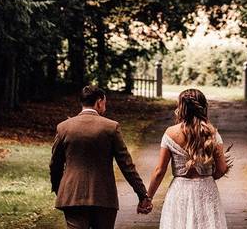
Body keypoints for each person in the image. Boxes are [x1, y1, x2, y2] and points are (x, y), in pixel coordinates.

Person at [50, 86, 153, 229]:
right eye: (105, 102)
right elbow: (126, 165)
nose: (105, 106)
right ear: (99, 102)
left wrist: (59, 190)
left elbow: (55, 164)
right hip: (103, 197)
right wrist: (142, 194)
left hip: (72, 196)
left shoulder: (64, 127)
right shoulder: (111, 127)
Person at [145, 89, 229, 229]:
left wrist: (148, 198)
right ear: (203, 107)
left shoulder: (170, 133)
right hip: (206, 190)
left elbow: (160, 171)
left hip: (180, 191)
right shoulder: (212, 133)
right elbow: (222, 168)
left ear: (181, 107)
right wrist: (208, 176)